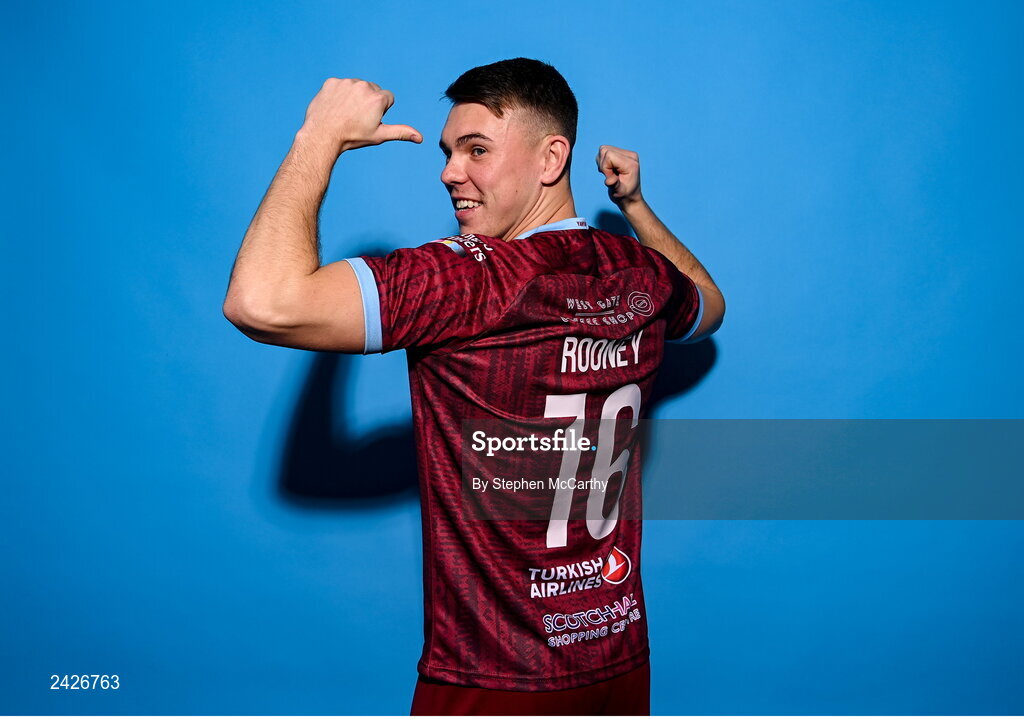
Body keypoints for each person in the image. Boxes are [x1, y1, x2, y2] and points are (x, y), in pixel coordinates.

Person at [223, 58, 725, 715]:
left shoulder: (467, 280)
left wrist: (319, 135)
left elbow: (260, 303)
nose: (449, 171)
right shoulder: (638, 271)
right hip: (616, 657)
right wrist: (633, 207)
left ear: (552, 159)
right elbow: (709, 306)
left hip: (495, 679)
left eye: (476, 149)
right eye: (449, 152)